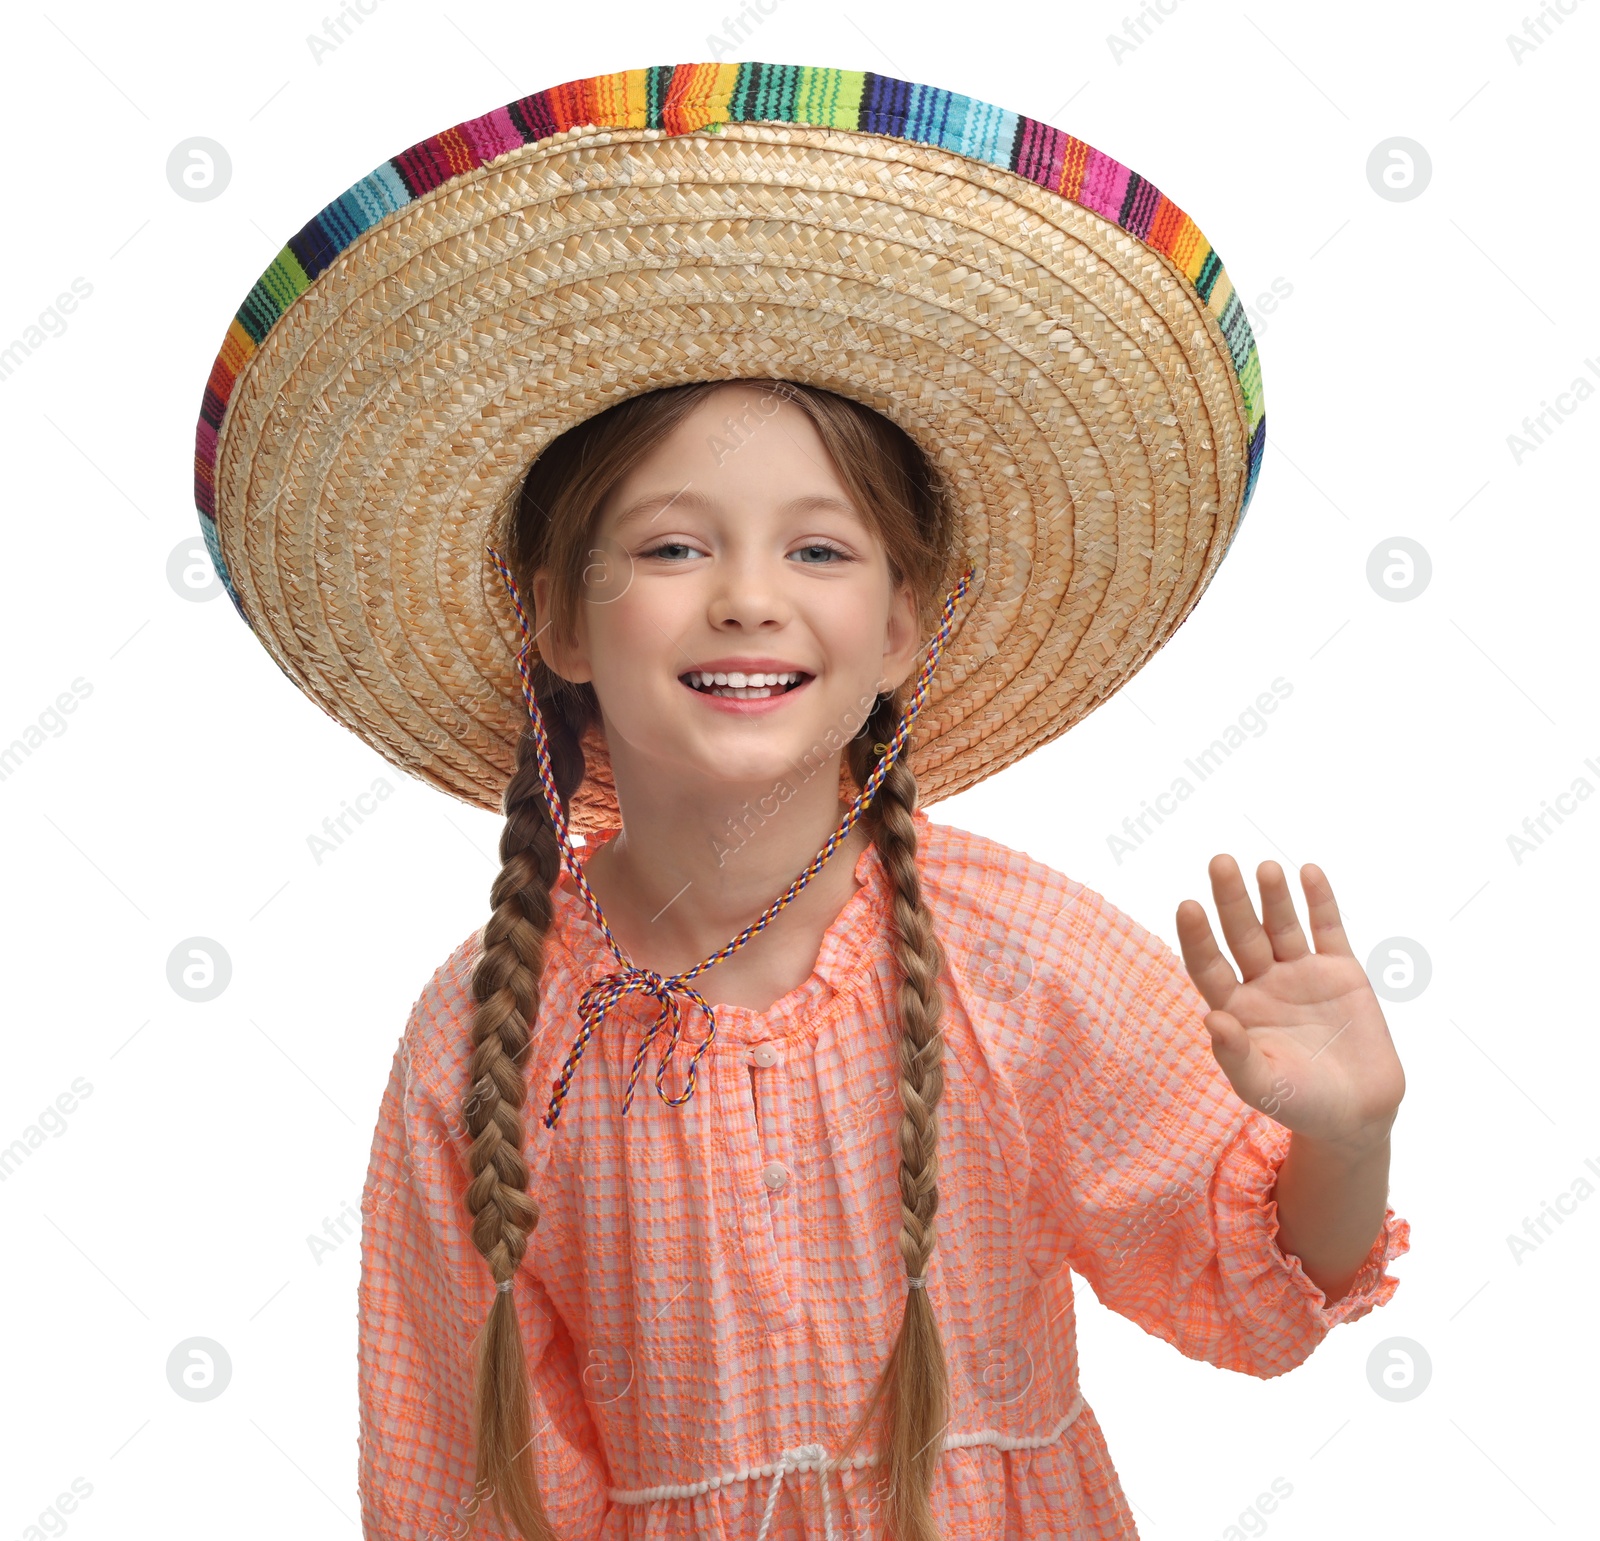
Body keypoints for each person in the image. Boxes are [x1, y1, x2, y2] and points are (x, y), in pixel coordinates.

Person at [192, 62, 1409, 1541]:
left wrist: (1348, 1137)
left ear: (903, 631)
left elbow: (1252, 1295)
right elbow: (460, 1485)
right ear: (561, 627)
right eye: (671, 549)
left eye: (820, 551)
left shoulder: (1007, 950)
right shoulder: (482, 1043)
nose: (751, 598)